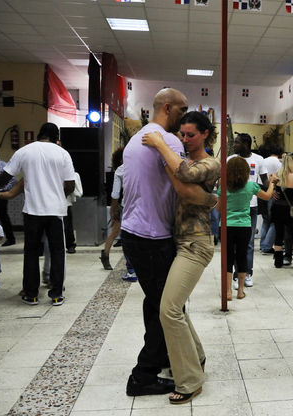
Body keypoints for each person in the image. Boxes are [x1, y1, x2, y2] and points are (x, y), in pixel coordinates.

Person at [121, 90, 217, 398]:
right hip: (168, 239)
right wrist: (210, 199)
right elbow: (184, 187)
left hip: (193, 242)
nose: (185, 136)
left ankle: (184, 377)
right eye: (183, 115)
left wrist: (210, 199)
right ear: (167, 108)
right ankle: (190, 360)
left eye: (191, 134)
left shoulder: (159, 144)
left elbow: (186, 182)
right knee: (168, 306)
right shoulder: (167, 145)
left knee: (168, 308)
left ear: (205, 135)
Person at [0, 122, 75, 307]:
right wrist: (57, 196)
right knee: (58, 253)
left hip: (32, 212)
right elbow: (71, 185)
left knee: (31, 253)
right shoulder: (63, 153)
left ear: (39, 134)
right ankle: (57, 294)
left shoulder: (24, 151)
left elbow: (6, 176)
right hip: (55, 212)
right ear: (56, 137)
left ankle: (31, 294)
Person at [219, 157, 276, 299]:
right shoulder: (251, 186)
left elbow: (219, 208)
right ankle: (240, 292)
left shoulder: (223, 186)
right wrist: (273, 183)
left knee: (228, 258)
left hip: (226, 226)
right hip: (244, 225)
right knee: (242, 256)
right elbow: (268, 196)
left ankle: (227, 292)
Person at [227, 133, 268, 288]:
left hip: (251, 205)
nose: (234, 144)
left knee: (249, 242)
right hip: (233, 205)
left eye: (236, 142)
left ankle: (247, 273)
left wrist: (272, 187)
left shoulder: (259, 160)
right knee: (234, 244)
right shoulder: (230, 159)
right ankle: (236, 275)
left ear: (245, 143)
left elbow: (265, 181)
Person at [100, 147, 125, 271]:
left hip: (124, 205)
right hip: (126, 206)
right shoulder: (122, 170)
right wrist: (113, 210)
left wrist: (113, 209)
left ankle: (105, 255)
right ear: (121, 160)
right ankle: (105, 255)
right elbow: (115, 193)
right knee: (117, 232)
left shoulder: (120, 170)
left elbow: (115, 194)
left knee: (115, 232)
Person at [259, 142, 283, 254]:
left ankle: (262, 244)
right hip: (274, 193)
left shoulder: (263, 161)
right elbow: (280, 179)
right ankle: (266, 246)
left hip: (262, 192)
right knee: (274, 220)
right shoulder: (279, 163)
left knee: (266, 220)